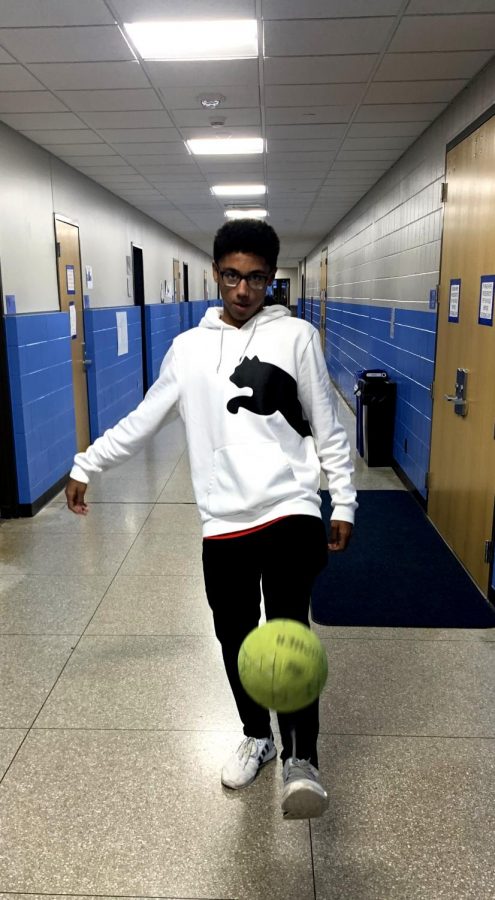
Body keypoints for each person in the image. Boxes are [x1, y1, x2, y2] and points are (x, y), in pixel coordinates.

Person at [66, 219, 357, 820]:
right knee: (233, 637)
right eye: (231, 276)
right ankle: (257, 735)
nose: (243, 289)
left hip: (289, 508)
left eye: (255, 278)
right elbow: (146, 419)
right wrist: (87, 463)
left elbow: (328, 426)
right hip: (222, 519)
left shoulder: (298, 336)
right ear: (216, 274)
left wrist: (344, 500)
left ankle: (303, 760)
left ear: (271, 279)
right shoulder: (189, 350)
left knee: (284, 635)